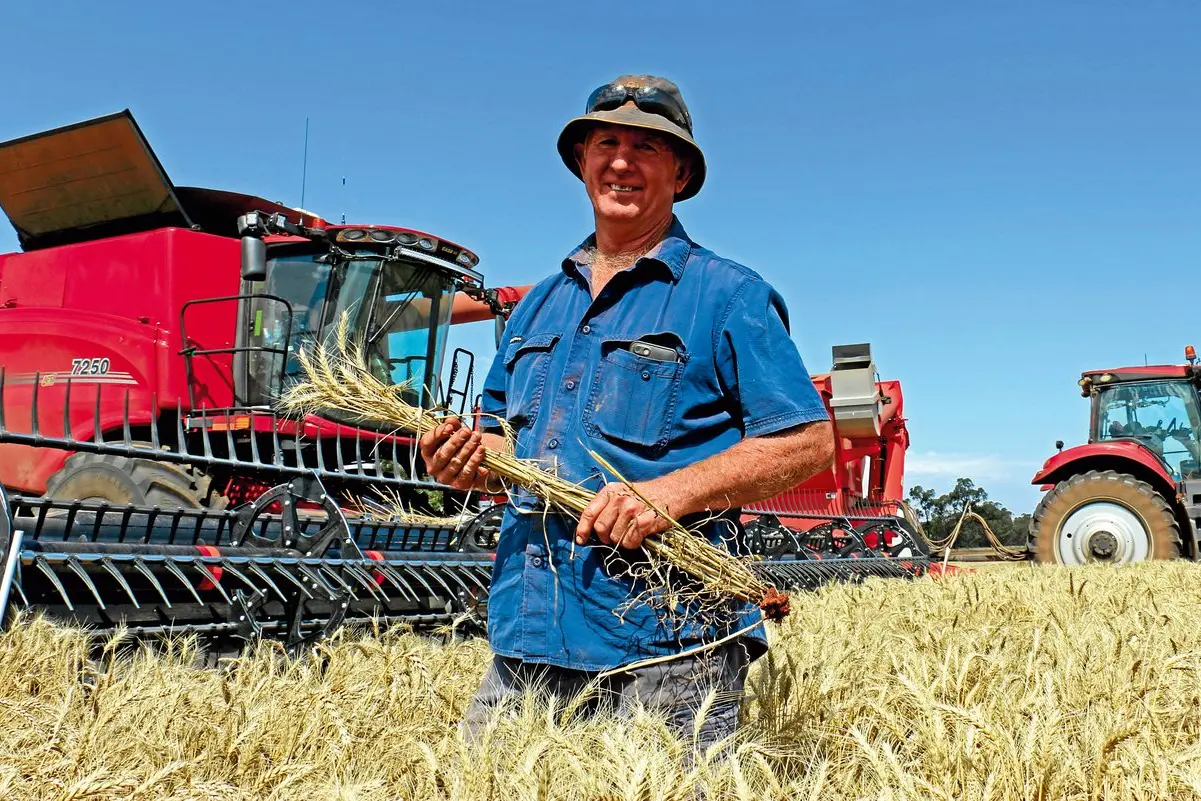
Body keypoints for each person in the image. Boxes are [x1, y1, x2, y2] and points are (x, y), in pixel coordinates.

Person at [419, 74, 835, 749]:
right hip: (529, 631)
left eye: (647, 147)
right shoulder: (535, 307)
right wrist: (466, 461)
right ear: (581, 161)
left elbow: (806, 441)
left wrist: (664, 496)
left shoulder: (727, 296)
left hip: (668, 642)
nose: (621, 162)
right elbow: (501, 443)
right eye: (605, 144)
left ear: (680, 173)